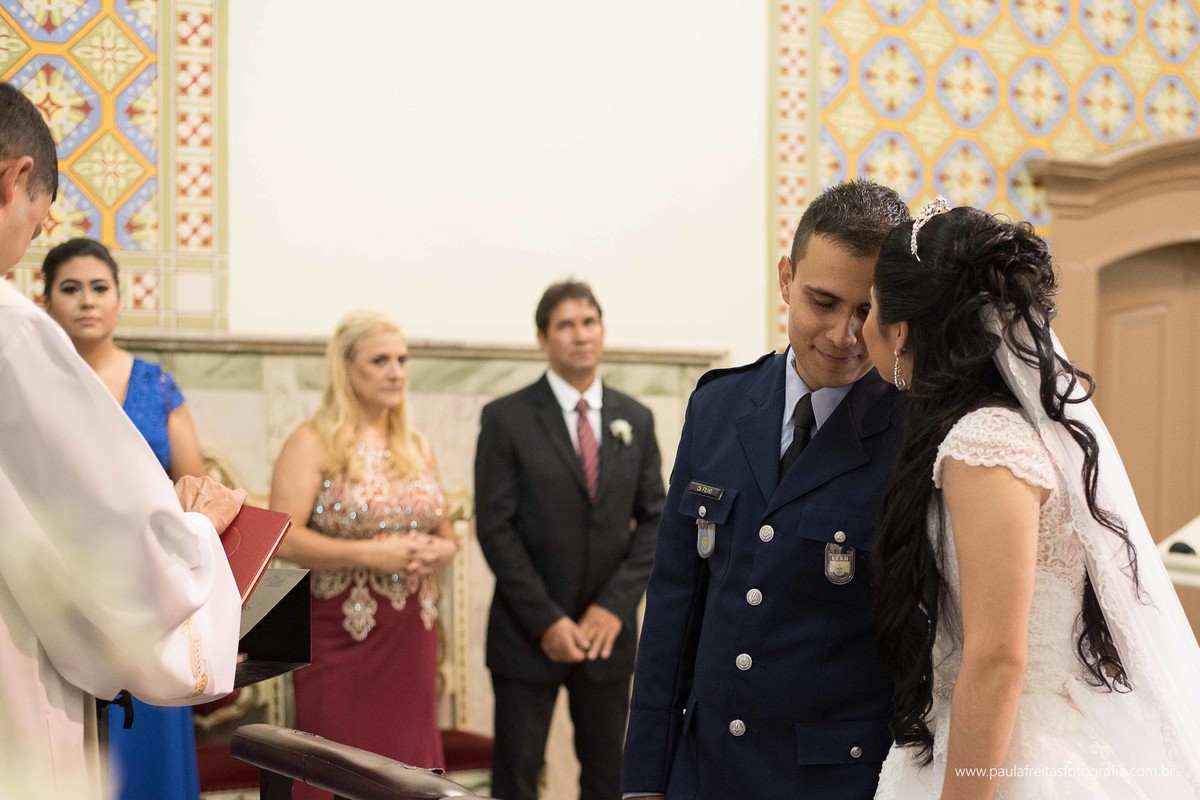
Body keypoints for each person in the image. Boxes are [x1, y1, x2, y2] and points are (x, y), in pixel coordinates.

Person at [866, 199, 1200, 798]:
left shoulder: (985, 443)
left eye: (869, 308)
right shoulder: (998, 431)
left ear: (900, 332)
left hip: (1017, 755)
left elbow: (998, 658)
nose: (859, 326)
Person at [622, 179, 912, 800]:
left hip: (832, 782)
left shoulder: (914, 435)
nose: (844, 334)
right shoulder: (717, 406)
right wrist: (645, 779)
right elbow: (673, 604)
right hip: (705, 770)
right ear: (786, 278)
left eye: (867, 311)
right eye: (823, 301)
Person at [0, 80, 242, 799]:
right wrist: (198, 532)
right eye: (35, 226)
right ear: (14, 179)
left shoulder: (150, 381)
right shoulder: (13, 332)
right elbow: (116, 543)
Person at [474, 280, 665, 800]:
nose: (580, 335)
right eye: (565, 325)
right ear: (542, 339)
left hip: (607, 635)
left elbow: (656, 520)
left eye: (589, 322)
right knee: (516, 777)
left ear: (602, 331)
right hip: (527, 632)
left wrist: (614, 607)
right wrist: (547, 620)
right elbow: (494, 527)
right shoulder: (506, 418)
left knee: (608, 777)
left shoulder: (635, 418)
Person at [42, 237, 207, 800]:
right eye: (70, 288)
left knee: (148, 759)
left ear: (118, 299)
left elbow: (196, 491)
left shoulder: (157, 385)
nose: (87, 300)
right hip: (60, 592)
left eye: (99, 287)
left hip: (153, 596)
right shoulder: (33, 383)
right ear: (45, 302)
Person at [269, 310, 456, 800]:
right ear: (346, 368)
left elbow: (447, 534)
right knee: (339, 765)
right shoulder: (312, 443)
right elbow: (283, 538)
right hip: (341, 636)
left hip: (411, 636)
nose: (396, 372)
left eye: (402, 360)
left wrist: (440, 548)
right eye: (380, 361)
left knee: (408, 769)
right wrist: (372, 554)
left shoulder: (417, 447)